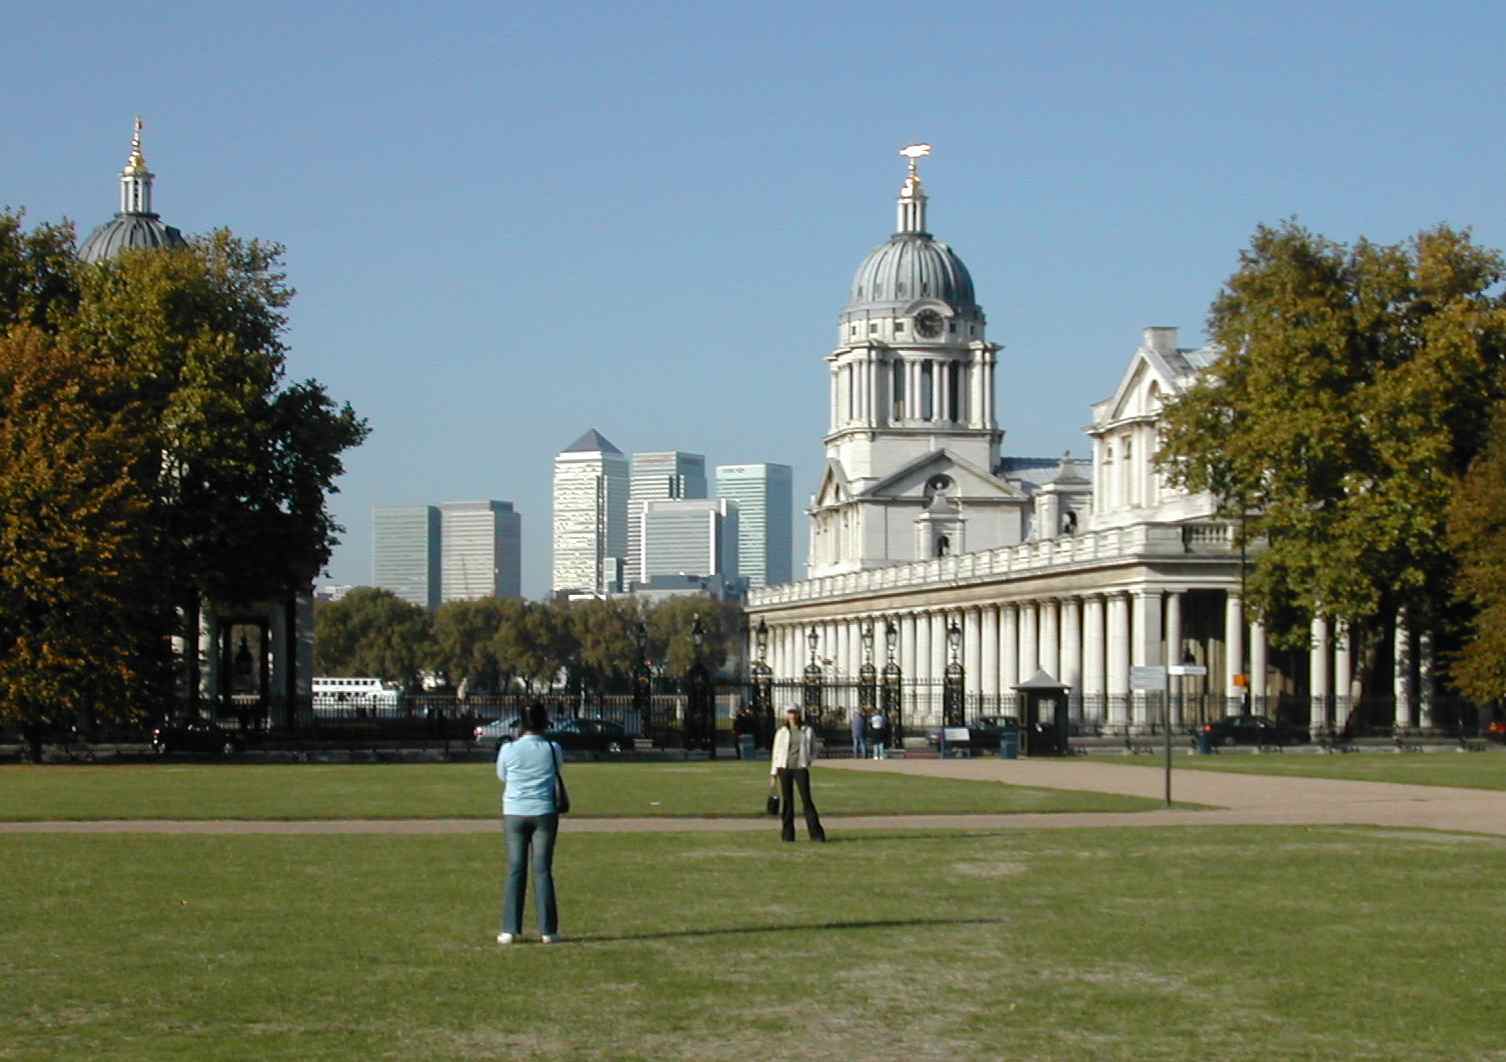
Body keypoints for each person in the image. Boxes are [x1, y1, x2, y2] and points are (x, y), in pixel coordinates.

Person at [495, 702, 565, 944]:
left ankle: (509, 929)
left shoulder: (508, 749)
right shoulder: (552, 747)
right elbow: (557, 770)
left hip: (514, 811)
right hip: (545, 811)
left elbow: (502, 776)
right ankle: (548, 930)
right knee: (543, 870)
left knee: (516, 869)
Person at [769, 706, 826, 843]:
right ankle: (788, 835)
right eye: (789, 712)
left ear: (799, 714)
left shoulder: (807, 730)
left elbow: (814, 748)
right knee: (788, 802)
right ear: (786, 715)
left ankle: (816, 834)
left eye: (794, 712)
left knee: (806, 800)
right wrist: (773, 774)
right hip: (785, 768)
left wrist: (809, 760)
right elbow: (776, 753)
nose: (792, 715)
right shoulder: (782, 732)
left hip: (800, 768)